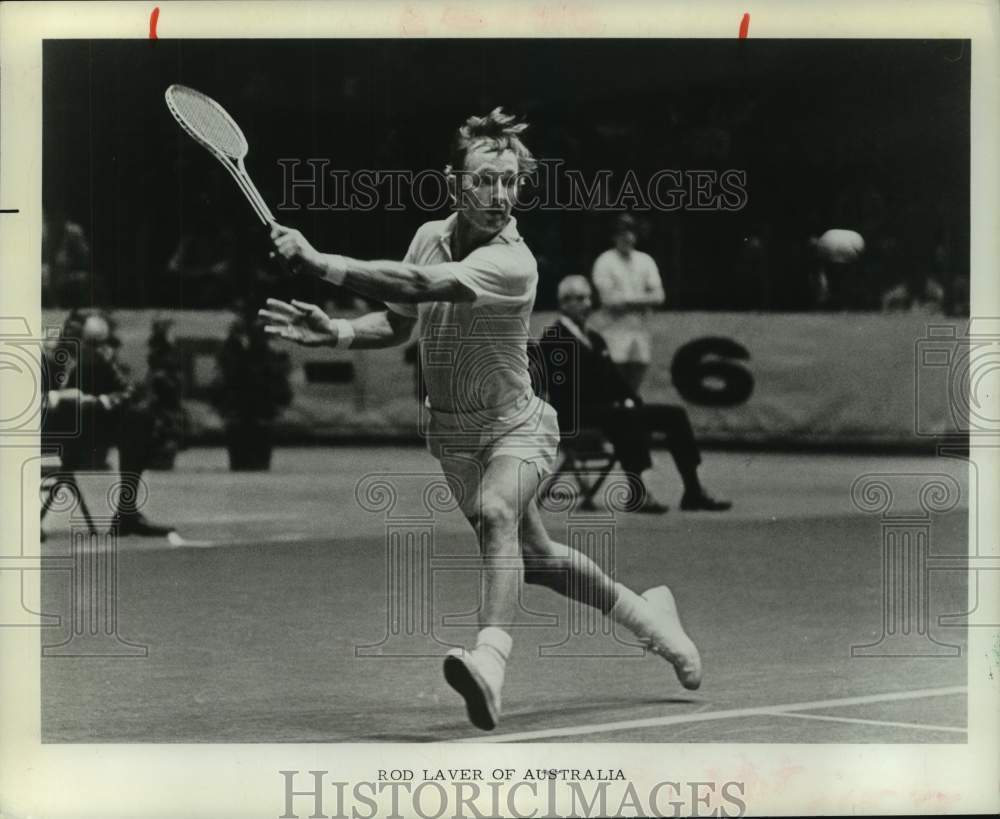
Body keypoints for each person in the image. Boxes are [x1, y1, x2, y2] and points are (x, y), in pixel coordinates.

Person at [259, 108, 702, 731]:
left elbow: (420, 284)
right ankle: (652, 618)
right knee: (537, 558)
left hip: (515, 425)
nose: (499, 195)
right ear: (454, 184)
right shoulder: (428, 235)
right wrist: (333, 330)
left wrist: (319, 261)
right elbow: (397, 318)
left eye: (510, 181)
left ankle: (490, 664)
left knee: (498, 513)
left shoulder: (513, 261)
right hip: (454, 434)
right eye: (485, 181)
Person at [542, 276, 731, 513]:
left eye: (589, 298)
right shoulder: (553, 339)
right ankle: (637, 492)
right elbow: (565, 388)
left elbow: (615, 380)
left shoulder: (595, 338)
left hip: (607, 410)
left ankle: (693, 490)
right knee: (624, 417)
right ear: (563, 303)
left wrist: (631, 399)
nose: (587, 304)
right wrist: (617, 404)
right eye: (579, 299)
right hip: (574, 413)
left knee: (674, 415)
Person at [42, 309, 176, 537]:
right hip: (46, 430)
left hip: (83, 428)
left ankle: (126, 512)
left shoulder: (100, 358)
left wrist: (101, 401)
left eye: (100, 344)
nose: (99, 351)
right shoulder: (45, 356)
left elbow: (128, 391)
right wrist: (59, 398)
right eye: (91, 345)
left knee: (138, 421)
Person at [590, 214, 665, 393]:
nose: (627, 237)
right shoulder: (604, 261)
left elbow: (659, 296)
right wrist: (643, 300)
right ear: (614, 236)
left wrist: (625, 300)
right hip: (614, 330)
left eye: (631, 233)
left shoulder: (646, 261)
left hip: (640, 330)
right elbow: (609, 301)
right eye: (622, 233)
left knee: (635, 383)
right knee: (615, 381)